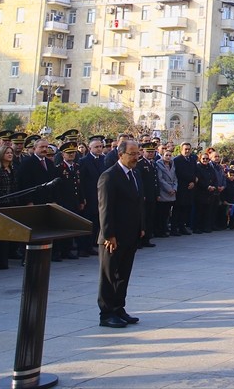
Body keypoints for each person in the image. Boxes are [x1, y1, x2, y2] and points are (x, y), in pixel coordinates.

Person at [97, 141, 144, 329]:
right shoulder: (109, 176)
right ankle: (106, 313)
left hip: (131, 234)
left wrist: (141, 226)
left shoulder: (136, 174)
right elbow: (105, 208)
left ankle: (119, 308)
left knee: (123, 274)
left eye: (137, 154)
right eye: (132, 154)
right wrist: (109, 235)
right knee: (109, 276)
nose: (136, 157)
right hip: (113, 237)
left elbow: (139, 203)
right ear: (120, 155)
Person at [171, 143, 197, 236]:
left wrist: (193, 181)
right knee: (177, 208)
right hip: (181, 187)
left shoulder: (193, 160)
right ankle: (174, 228)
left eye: (189, 149)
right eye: (185, 149)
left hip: (190, 188)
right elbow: (178, 173)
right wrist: (189, 180)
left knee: (186, 208)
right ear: (181, 150)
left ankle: (182, 227)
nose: (187, 151)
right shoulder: (177, 160)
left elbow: (195, 172)